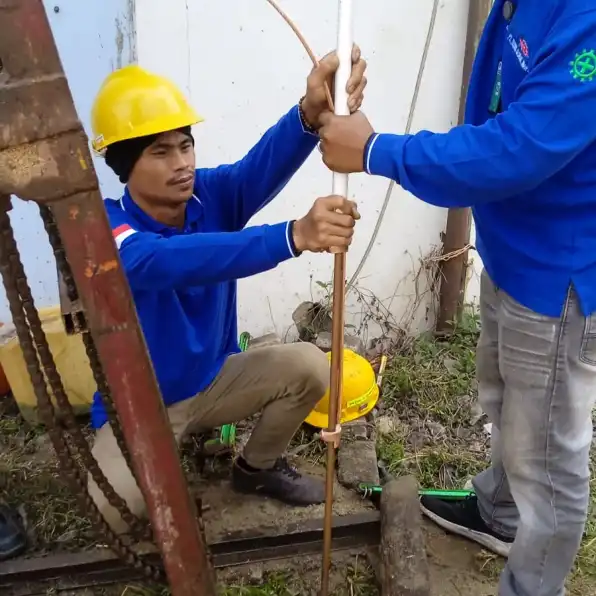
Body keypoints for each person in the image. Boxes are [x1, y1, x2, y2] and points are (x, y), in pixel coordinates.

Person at [316, 2, 596, 595]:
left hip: (560, 276)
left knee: (547, 457)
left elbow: (517, 148)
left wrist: (375, 151)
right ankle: (500, 512)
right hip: (515, 249)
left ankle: (533, 587)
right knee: (505, 399)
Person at [87, 49, 367, 535]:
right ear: (125, 165)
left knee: (308, 367)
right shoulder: (108, 225)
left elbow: (259, 167)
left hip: (213, 382)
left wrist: (309, 112)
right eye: (160, 151)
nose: (182, 164)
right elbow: (152, 261)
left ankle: (254, 471)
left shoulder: (210, 196)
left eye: (185, 145)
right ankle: (152, 460)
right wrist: (293, 236)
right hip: (140, 404)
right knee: (116, 509)